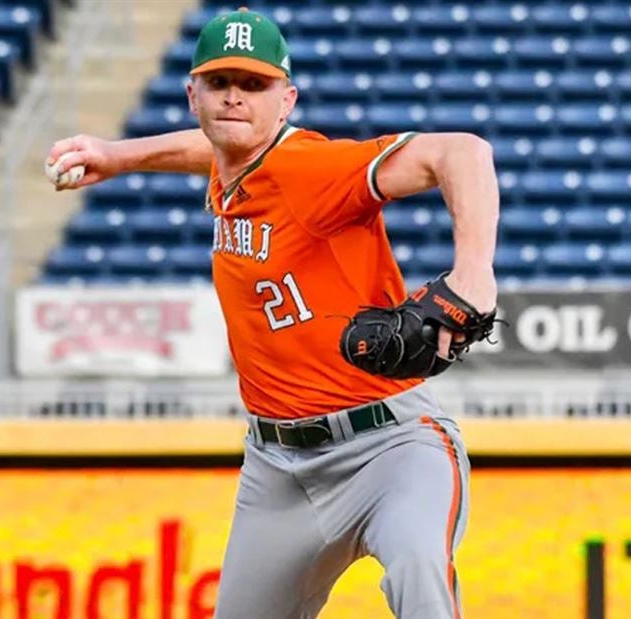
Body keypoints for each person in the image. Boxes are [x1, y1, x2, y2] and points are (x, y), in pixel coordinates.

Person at [45, 8, 499, 618]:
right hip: (277, 470)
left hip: (389, 447)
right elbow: (210, 148)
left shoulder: (306, 170)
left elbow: (463, 153)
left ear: (286, 101)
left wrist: (474, 272)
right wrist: (117, 155)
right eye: (220, 83)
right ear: (193, 95)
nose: (235, 98)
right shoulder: (234, 164)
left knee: (419, 572)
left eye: (254, 85)